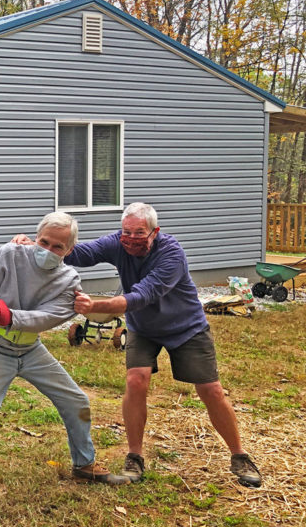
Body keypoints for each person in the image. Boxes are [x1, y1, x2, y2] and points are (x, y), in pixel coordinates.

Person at [36, 202, 262, 488]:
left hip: (186, 327)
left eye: (139, 233)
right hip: (144, 328)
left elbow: (144, 294)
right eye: (126, 232)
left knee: (211, 390)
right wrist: (38, 246)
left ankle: (239, 456)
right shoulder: (118, 243)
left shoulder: (171, 253)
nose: (130, 238)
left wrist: (96, 305)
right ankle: (135, 456)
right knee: (136, 380)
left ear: (154, 232)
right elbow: (79, 253)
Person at [0, 212, 128, 527]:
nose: (48, 250)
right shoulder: (8, 254)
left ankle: (84, 464)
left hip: (30, 349)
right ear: (34, 237)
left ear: (69, 250)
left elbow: (47, 318)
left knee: (76, 401)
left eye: (58, 246)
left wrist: (4, 313)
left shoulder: (70, 282)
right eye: (44, 242)